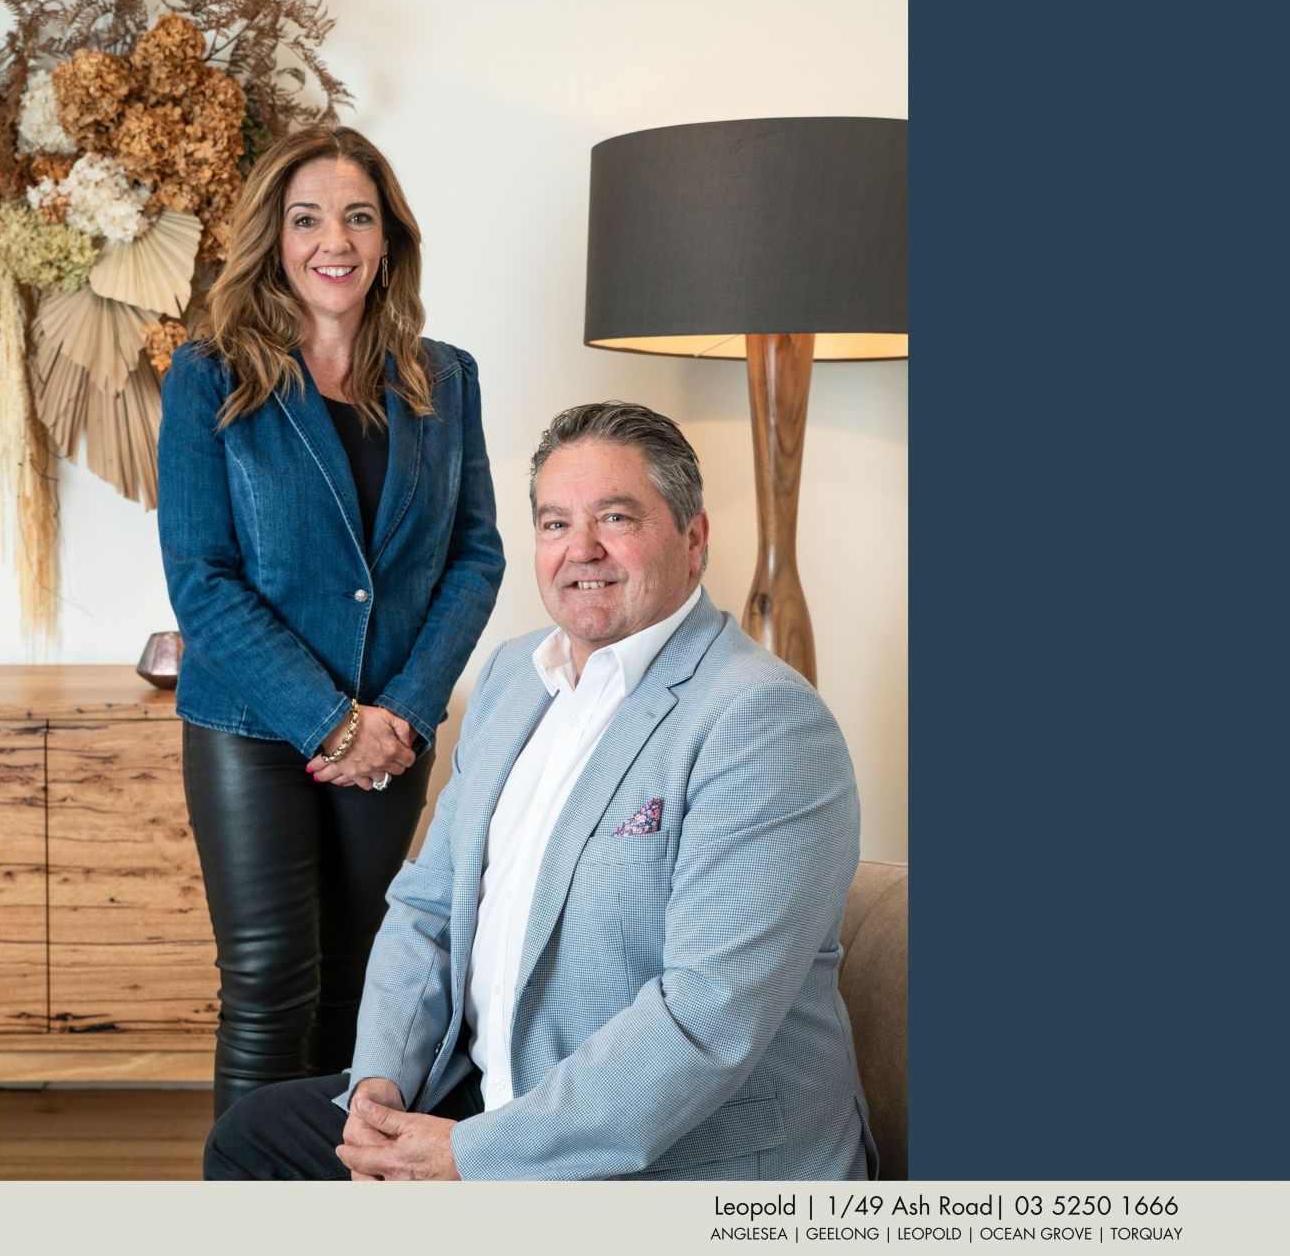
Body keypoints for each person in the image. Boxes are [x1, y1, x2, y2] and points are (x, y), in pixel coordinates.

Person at [202, 401, 877, 1180]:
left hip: (675, 1156)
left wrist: (468, 1156)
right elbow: (429, 908)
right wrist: (380, 1087)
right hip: (491, 1097)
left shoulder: (763, 721)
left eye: (615, 517)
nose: (581, 549)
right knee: (252, 1139)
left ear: (693, 539)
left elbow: (702, 1020)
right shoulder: (513, 677)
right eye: (556, 523)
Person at [156, 127, 505, 1119]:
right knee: (270, 987)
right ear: (275, 238)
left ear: (389, 239)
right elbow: (202, 579)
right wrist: (332, 721)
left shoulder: (447, 378)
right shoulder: (210, 373)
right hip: (251, 724)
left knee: (364, 985)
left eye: (358, 216)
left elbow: (476, 554)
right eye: (307, 218)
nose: (333, 241)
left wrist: (404, 711)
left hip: (392, 730)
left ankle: (331, 1188)